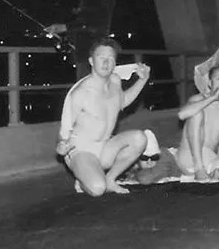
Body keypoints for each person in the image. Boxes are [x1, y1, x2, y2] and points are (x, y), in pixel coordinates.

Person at [56, 37, 151, 196]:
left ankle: (110, 179)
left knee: (139, 138)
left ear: (115, 63)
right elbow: (64, 130)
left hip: (104, 149)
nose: (106, 63)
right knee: (97, 189)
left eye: (111, 59)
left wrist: (143, 80)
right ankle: (83, 178)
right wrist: (61, 147)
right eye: (101, 58)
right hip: (81, 150)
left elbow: (122, 101)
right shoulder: (80, 93)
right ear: (91, 61)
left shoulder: (115, 81)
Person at [133, 64, 219, 184]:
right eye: (218, 79)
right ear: (210, 83)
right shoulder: (197, 100)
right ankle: (197, 169)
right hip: (188, 158)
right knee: (196, 113)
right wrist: (212, 98)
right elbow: (182, 115)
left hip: (210, 160)